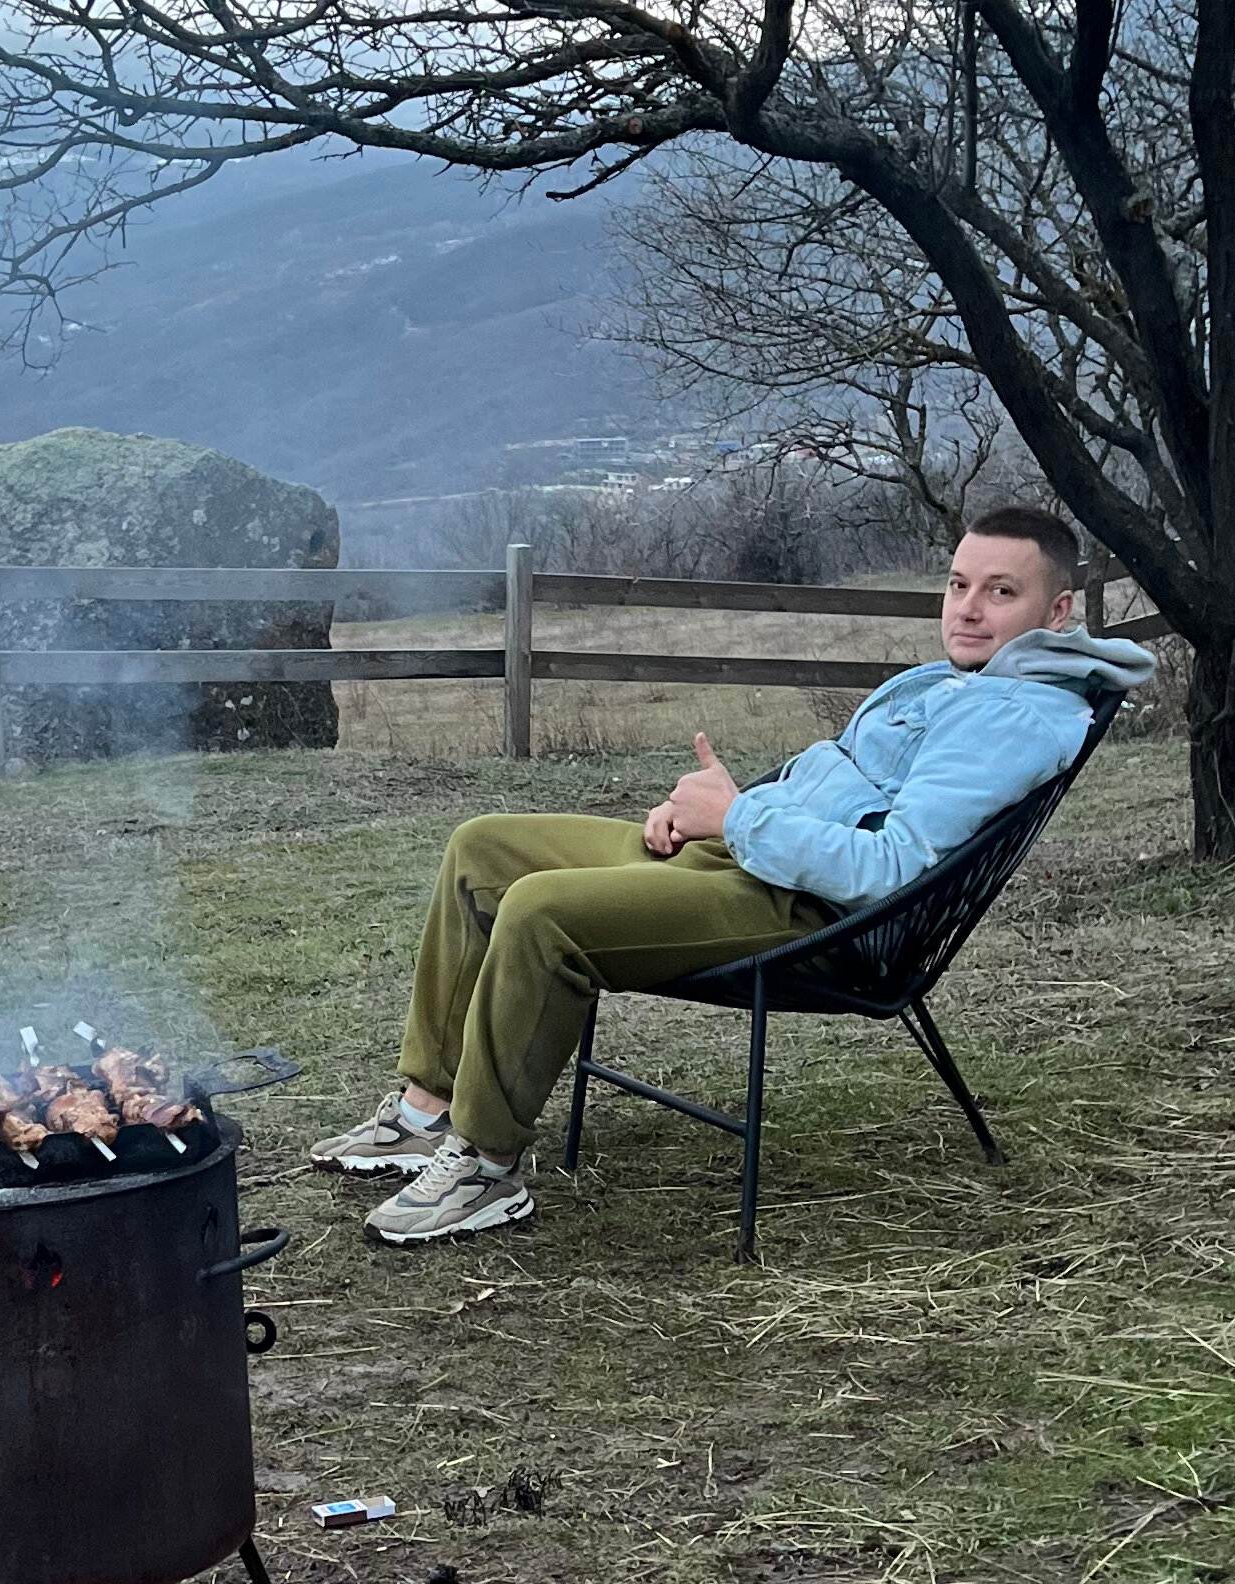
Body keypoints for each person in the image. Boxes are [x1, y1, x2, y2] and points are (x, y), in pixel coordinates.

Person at [313, 506, 1157, 1245]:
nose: (968, 610)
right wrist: (708, 813)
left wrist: (740, 819)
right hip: (756, 858)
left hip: (817, 919)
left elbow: (888, 868)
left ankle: (486, 1166)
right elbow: (835, 797)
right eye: (958, 584)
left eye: (999, 592)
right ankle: (425, 1112)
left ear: (1058, 609)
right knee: (485, 846)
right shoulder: (951, 679)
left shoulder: (1010, 714)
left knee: (541, 912)